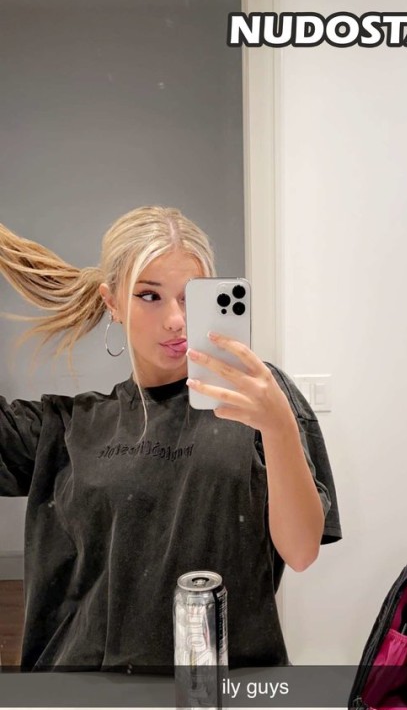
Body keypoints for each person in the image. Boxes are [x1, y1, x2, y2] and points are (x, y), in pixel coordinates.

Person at [0, 206, 341, 671]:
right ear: (112, 304)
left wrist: (279, 425)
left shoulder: (262, 403)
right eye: (150, 296)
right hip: (87, 692)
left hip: (228, 688)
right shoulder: (68, 428)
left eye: (189, 297)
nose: (176, 319)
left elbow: (301, 552)